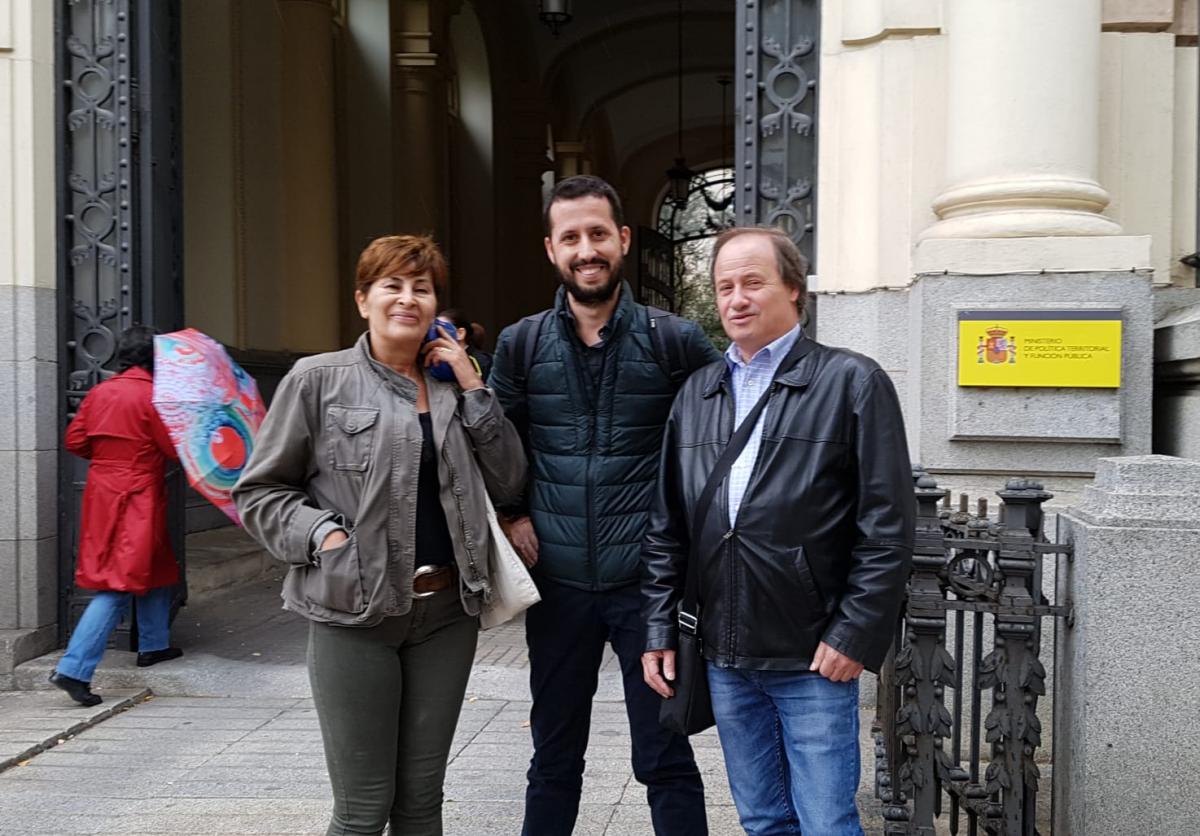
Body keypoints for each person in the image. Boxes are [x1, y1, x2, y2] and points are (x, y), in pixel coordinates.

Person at [233, 234, 526, 836]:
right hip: (353, 615)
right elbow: (260, 491)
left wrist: (473, 385)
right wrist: (323, 537)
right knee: (364, 808)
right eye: (392, 285)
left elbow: (509, 477)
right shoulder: (316, 381)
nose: (407, 298)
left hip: (447, 613)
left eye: (421, 288)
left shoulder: (453, 386)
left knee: (422, 801)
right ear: (363, 299)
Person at [641, 226, 915, 835]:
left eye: (753, 282)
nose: (736, 298)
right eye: (724, 287)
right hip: (723, 655)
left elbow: (888, 525)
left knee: (825, 823)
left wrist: (854, 633)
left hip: (812, 655)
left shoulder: (852, 382)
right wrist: (660, 626)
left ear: (794, 290)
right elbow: (668, 528)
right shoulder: (697, 394)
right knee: (763, 821)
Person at [489, 174, 721, 836]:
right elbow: (496, 442)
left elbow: (721, 436)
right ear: (551, 249)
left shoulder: (673, 339)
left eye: (597, 234)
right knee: (554, 757)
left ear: (621, 240)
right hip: (558, 584)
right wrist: (511, 510)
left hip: (647, 588)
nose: (585, 249)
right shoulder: (523, 344)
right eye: (571, 238)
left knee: (665, 757)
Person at [50, 325, 184, 707]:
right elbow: (172, 449)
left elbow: (75, 440)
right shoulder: (154, 396)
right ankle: (74, 669)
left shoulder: (100, 392)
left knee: (155, 563)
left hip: (103, 491)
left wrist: (111, 459)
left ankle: (154, 644)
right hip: (139, 492)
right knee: (119, 582)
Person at [438, 307, 492, 381]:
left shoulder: (483, 362)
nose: (436, 336)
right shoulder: (436, 361)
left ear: (460, 333)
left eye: (442, 330)